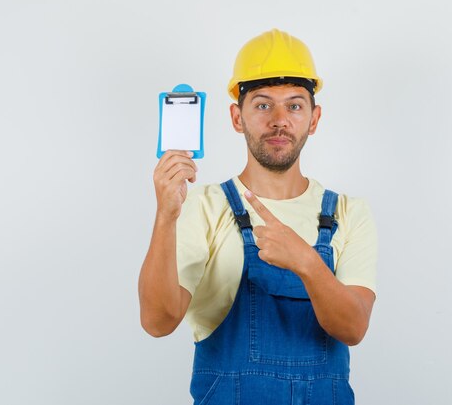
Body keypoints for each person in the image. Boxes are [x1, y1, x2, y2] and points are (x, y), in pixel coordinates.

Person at [138, 28, 378, 405]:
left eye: (295, 105)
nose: (280, 120)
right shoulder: (203, 206)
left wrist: (307, 263)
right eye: (263, 105)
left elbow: (353, 327)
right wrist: (166, 216)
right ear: (237, 117)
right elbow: (157, 322)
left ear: (314, 119)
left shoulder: (349, 213)